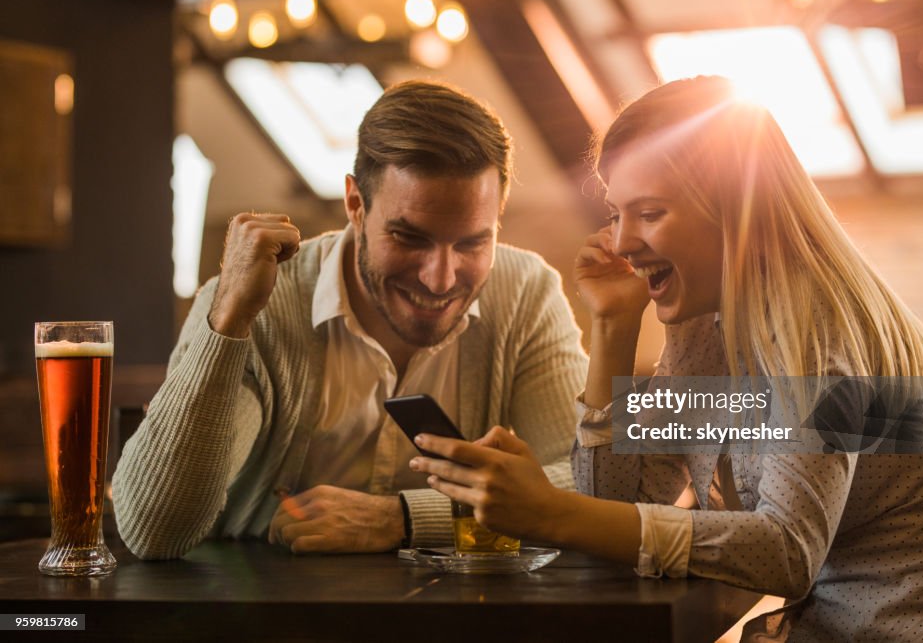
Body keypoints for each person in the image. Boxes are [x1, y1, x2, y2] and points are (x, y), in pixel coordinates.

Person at [410, 77, 923, 641]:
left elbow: (787, 550)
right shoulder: (711, 329)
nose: (622, 242)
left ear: (733, 209)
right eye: (618, 214)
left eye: (650, 213)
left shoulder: (817, 334)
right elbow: (624, 504)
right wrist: (614, 325)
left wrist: (551, 511)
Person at [113, 80, 587, 559]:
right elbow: (154, 531)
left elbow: (591, 485)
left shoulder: (527, 292)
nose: (441, 279)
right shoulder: (255, 304)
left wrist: (400, 518)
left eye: (471, 243)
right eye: (409, 238)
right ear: (356, 205)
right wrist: (230, 318)